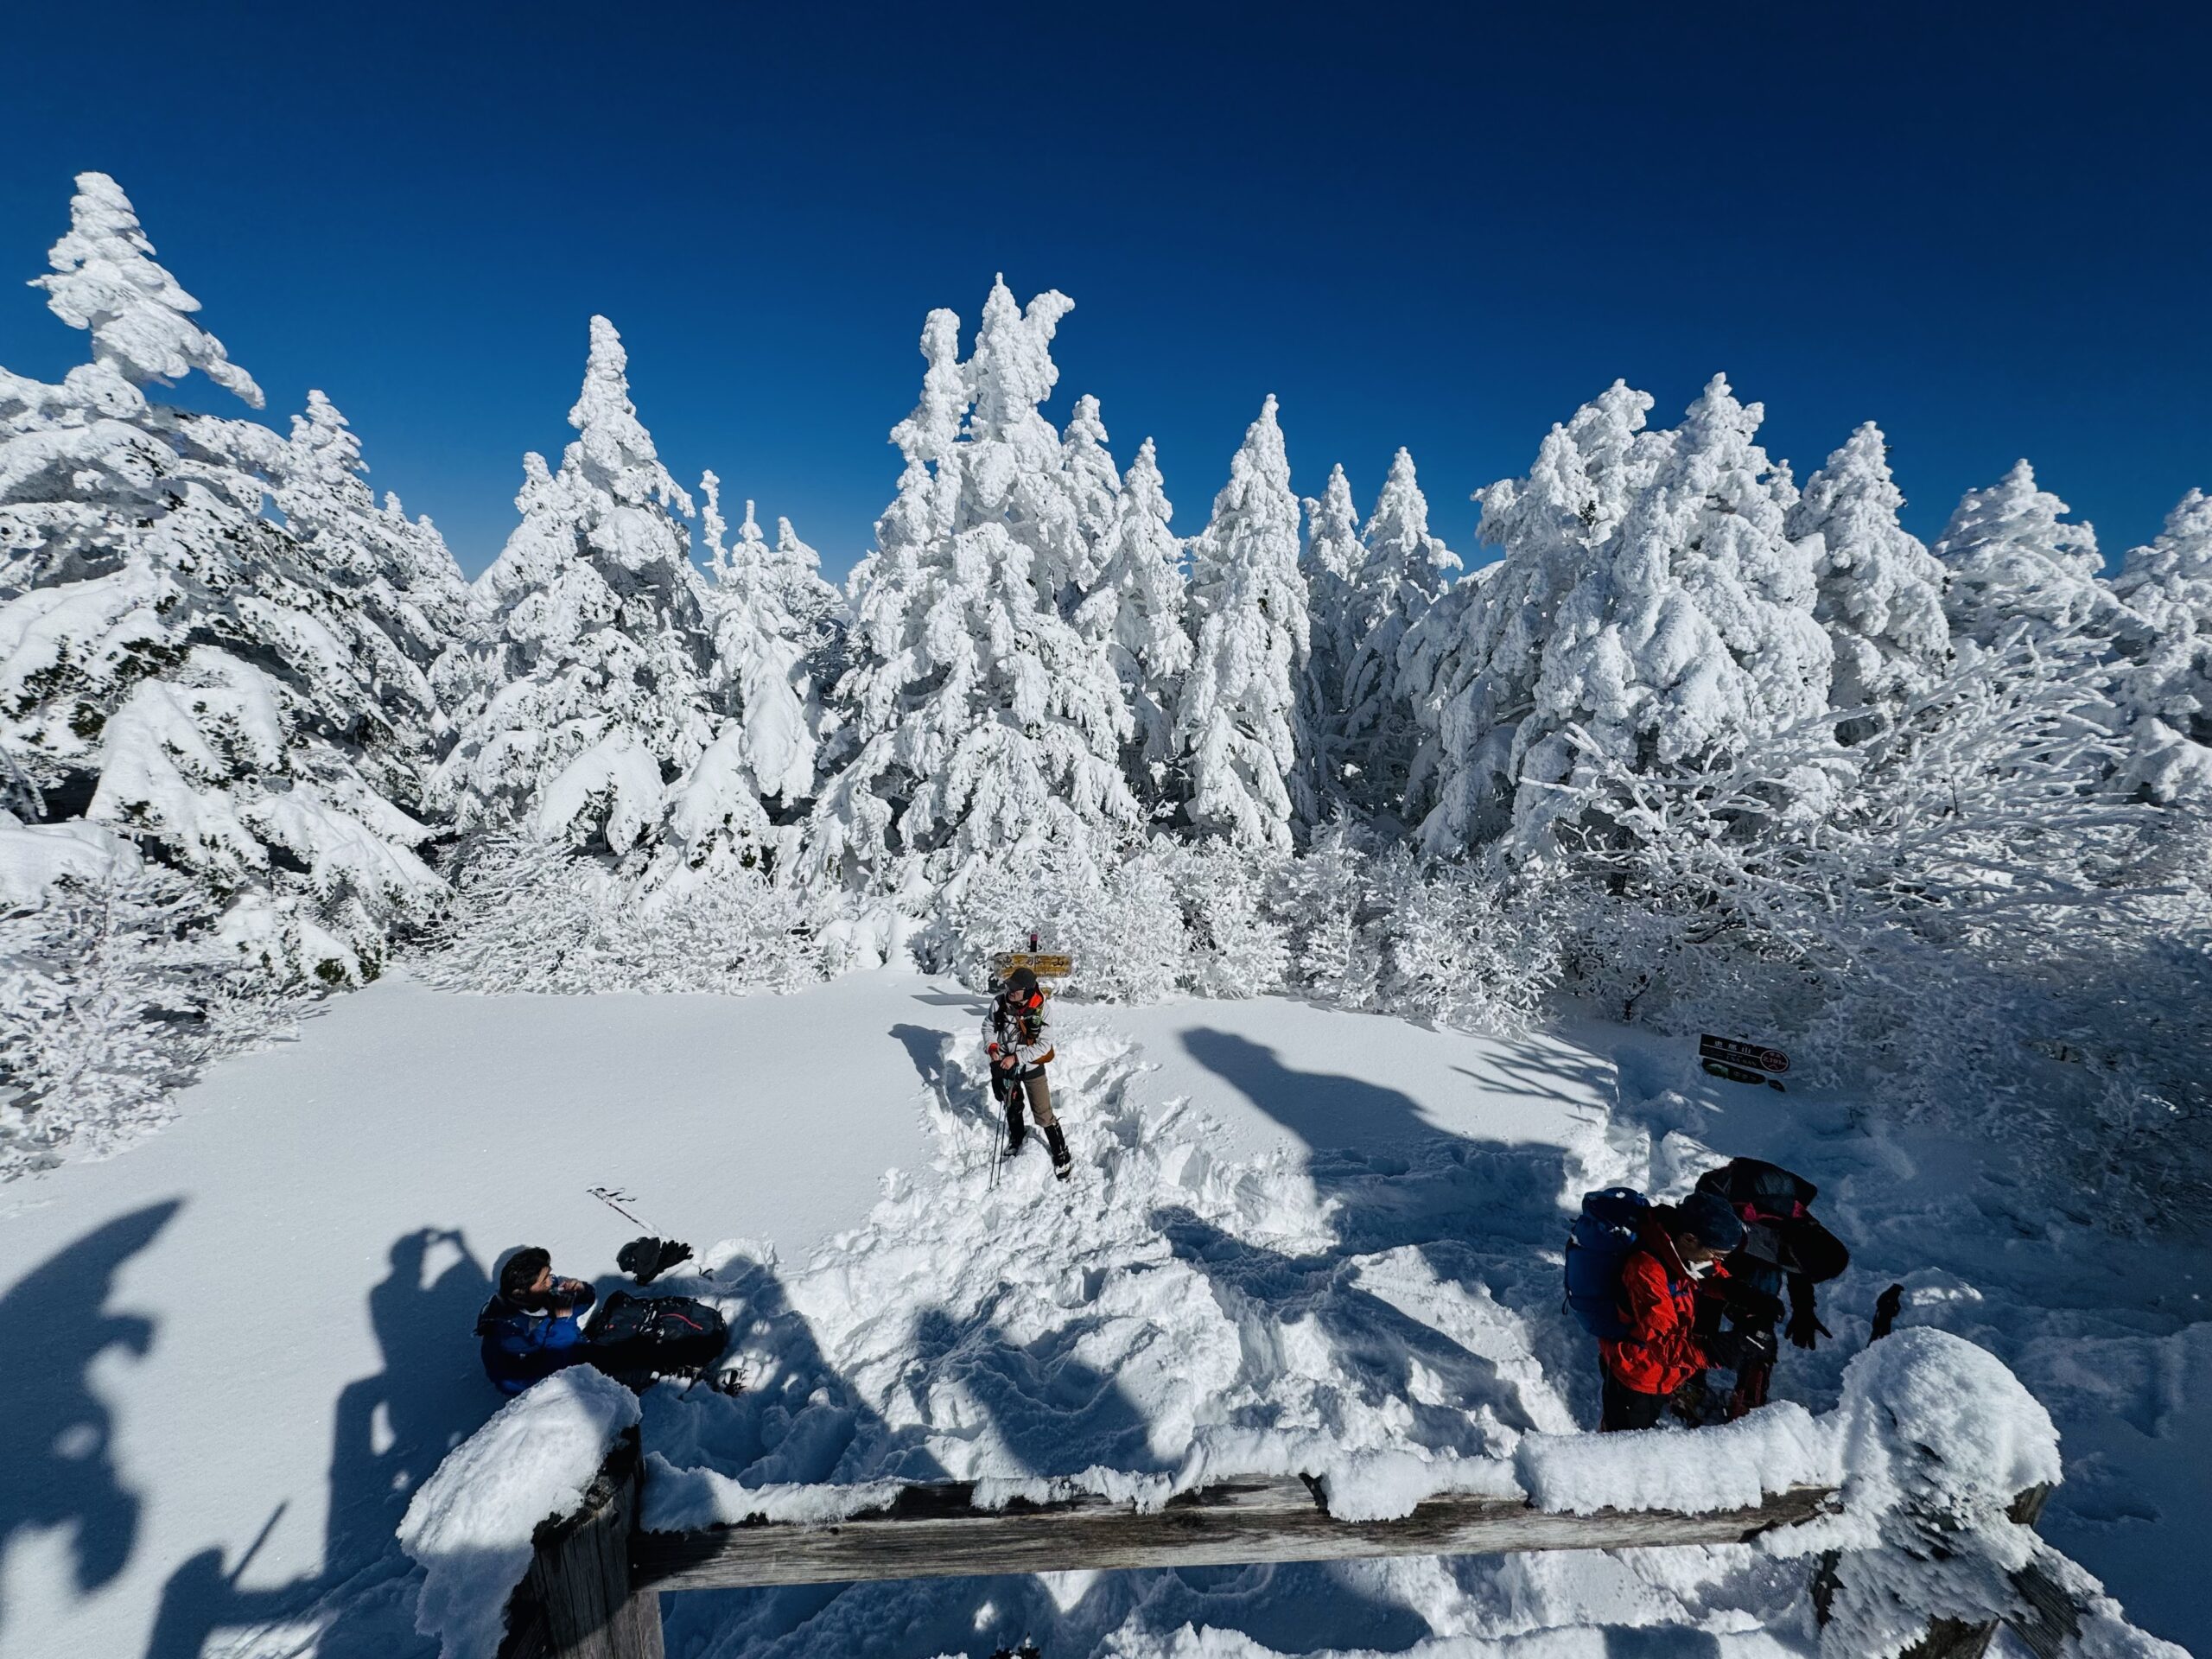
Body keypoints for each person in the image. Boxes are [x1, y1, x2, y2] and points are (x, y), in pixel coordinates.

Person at [1693, 1157, 1851, 1417]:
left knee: (1760, 1317)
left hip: (1757, 1245)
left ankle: (1749, 1390)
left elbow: (1798, 1270)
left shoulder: (1806, 1238)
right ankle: (1690, 1381)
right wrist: (1719, 1278)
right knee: (1706, 1305)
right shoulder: (1747, 1211)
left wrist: (1803, 1310)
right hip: (1723, 1237)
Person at [1598, 1191, 1745, 1432]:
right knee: (1624, 1445)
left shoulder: (1679, 1254)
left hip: (1660, 1372)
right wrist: (1715, 1351)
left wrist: (1734, 1290)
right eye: (1716, 1255)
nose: (1718, 1263)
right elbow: (1663, 1346)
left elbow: (1704, 1274)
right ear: (1689, 1239)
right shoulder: (1646, 1270)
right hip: (1637, 1375)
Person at [476, 1247, 596, 1396]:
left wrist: (582, 1291)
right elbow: (554, 1369)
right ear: (520, 1292)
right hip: (530, 1384)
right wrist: (564, 1322)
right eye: (545, 1280)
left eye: (549, 1275)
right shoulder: (510, 1332)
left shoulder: (538, 1293)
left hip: (560, 1347)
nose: (552, 1281)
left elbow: (581, 1304)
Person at [986, 966, 1071, 1179]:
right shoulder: (999, 1003)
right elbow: (988, 1027)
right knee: (1011, 1103)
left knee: (1043, 1112)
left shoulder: (1043, 1009)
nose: (1009, 990)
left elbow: (1044, 1045)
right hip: (1005, 1064)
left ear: (1028, 991)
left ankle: (1061, 1151)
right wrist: (993, 1050)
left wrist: (1016, 1058)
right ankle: (1017, 1138)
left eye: (1015, 988)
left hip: (1031, 1066)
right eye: (1008, 985)